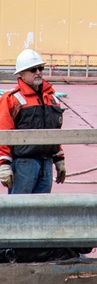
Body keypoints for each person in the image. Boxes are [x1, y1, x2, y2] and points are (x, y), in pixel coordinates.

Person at [0, 49, 66, 195]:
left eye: (40, 68)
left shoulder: (51, 98)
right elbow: (4, 133)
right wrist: (4, 165)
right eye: (32, 69)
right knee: (19, 211)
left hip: (46, 162)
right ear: (21, 74)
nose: (38, 72)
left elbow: (55, 133)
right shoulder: (12, 99)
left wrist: (59, 159)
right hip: (24, 163)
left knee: (41, 212)